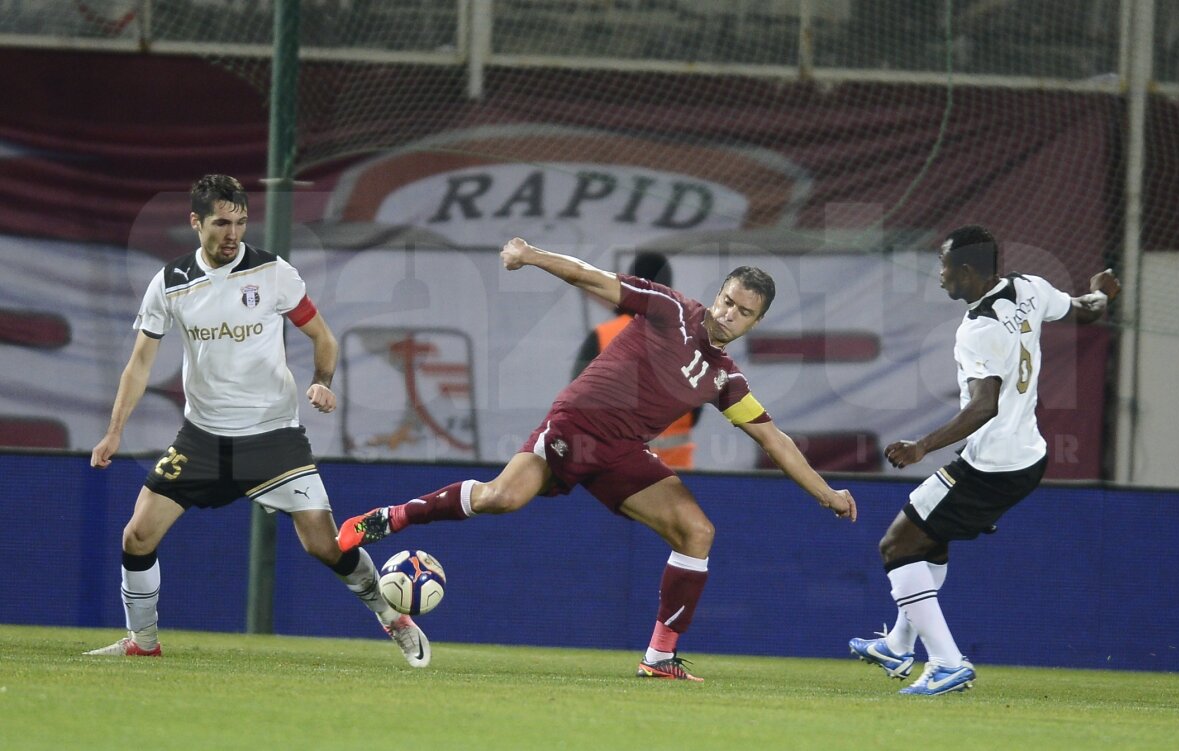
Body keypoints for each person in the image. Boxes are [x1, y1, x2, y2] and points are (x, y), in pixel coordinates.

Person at [337, 236, 857, 681]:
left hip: (623, 453)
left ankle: (660, 658)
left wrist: (828, 494)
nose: (727, 314)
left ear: (757, 321)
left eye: (743, 312)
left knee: (697, 533)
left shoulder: (724, 378)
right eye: (726, 301)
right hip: (577, 427)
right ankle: (391, 518)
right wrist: (529, 254)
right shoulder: (672, 310)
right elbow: (594, 279)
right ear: (716, 294)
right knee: (502, 498)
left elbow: (775, 440)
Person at [86, 174, 430, 667]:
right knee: (136, 535)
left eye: (241, 222)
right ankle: (143, 642)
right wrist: (115, 429)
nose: (233, 233)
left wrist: (322, 382)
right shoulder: (170, 284)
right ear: (195, 222)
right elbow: (140, 363)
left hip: (273, 438)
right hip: (202, 438)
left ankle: (391, 616)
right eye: (221, 222)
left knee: (325, 545)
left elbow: (324, 339)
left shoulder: (274, 273)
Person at [849, 225, 1120, 696]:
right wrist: (1100, 293)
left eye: (943, 265)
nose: (939, 276)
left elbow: (983, 405)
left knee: (897, 547)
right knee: (926, 539)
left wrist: (921, 447)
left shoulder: (977, 330)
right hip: (1024, 455)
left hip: (992, 463)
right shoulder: (1029, 288)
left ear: (967, 270)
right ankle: (897, 644)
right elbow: (1085, 311)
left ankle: (947, 663)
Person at [572, 251, 701, 470]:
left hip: (616, 471)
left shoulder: (602, 337)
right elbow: (695, 410)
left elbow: (576, 406)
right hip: (676, 472)